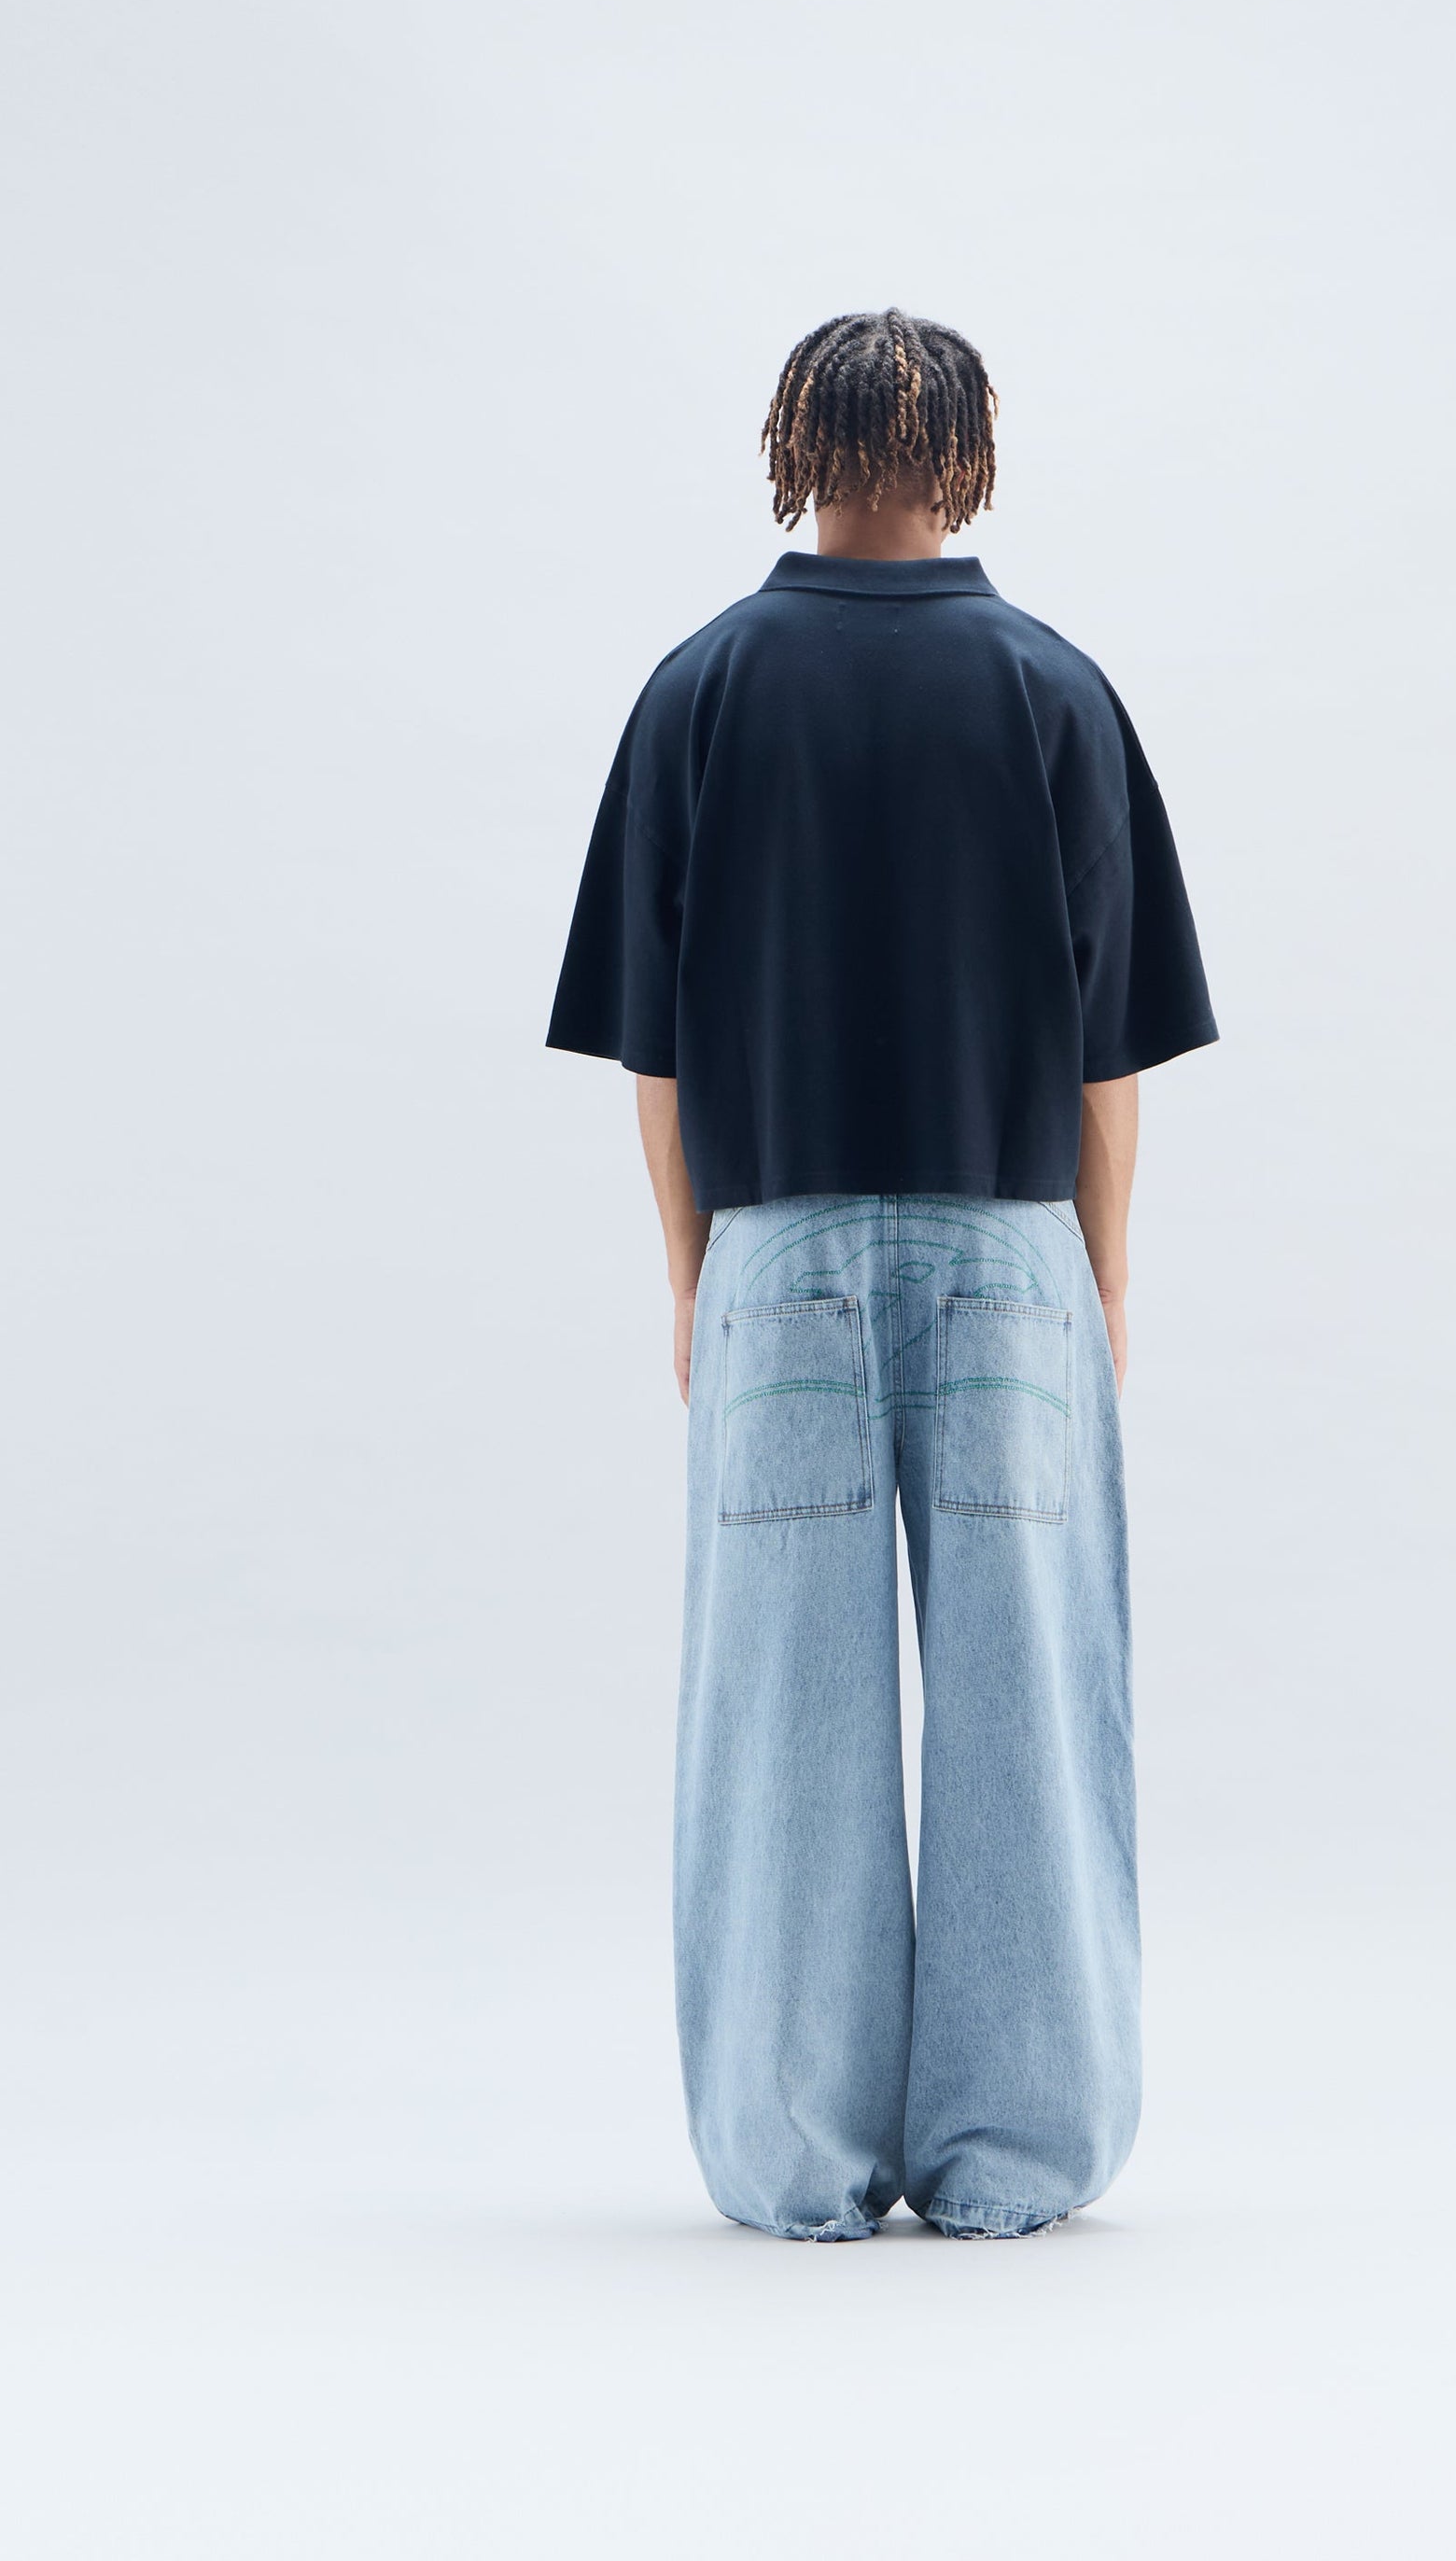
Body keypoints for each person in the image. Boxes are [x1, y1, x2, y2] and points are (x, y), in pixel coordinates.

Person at [548, 309, 1216, 2240]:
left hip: (776, 1245)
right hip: (1010, 1244)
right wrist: (1102, 1279)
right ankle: (1021, 2152)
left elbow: (656, 1056)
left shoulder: (699, 688)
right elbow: (1107, 1059)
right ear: (968, 451)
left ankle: (795, 2156)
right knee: (1030, 1702)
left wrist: (693, 1270)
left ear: (795, 446)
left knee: (781, 1712)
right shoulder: (1051, 688)